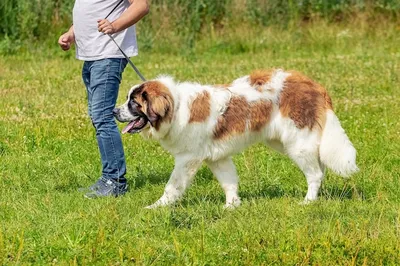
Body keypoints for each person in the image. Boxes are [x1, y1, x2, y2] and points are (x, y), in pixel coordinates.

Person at [58, 0, 149, 198]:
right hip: (92, 57)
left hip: (108, 55)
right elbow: (89, 14)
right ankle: (109, 179)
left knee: (102, 117)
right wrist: (71, 34)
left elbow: (142, 5)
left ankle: (115, 181)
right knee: (97, 116)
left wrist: (115, 26)